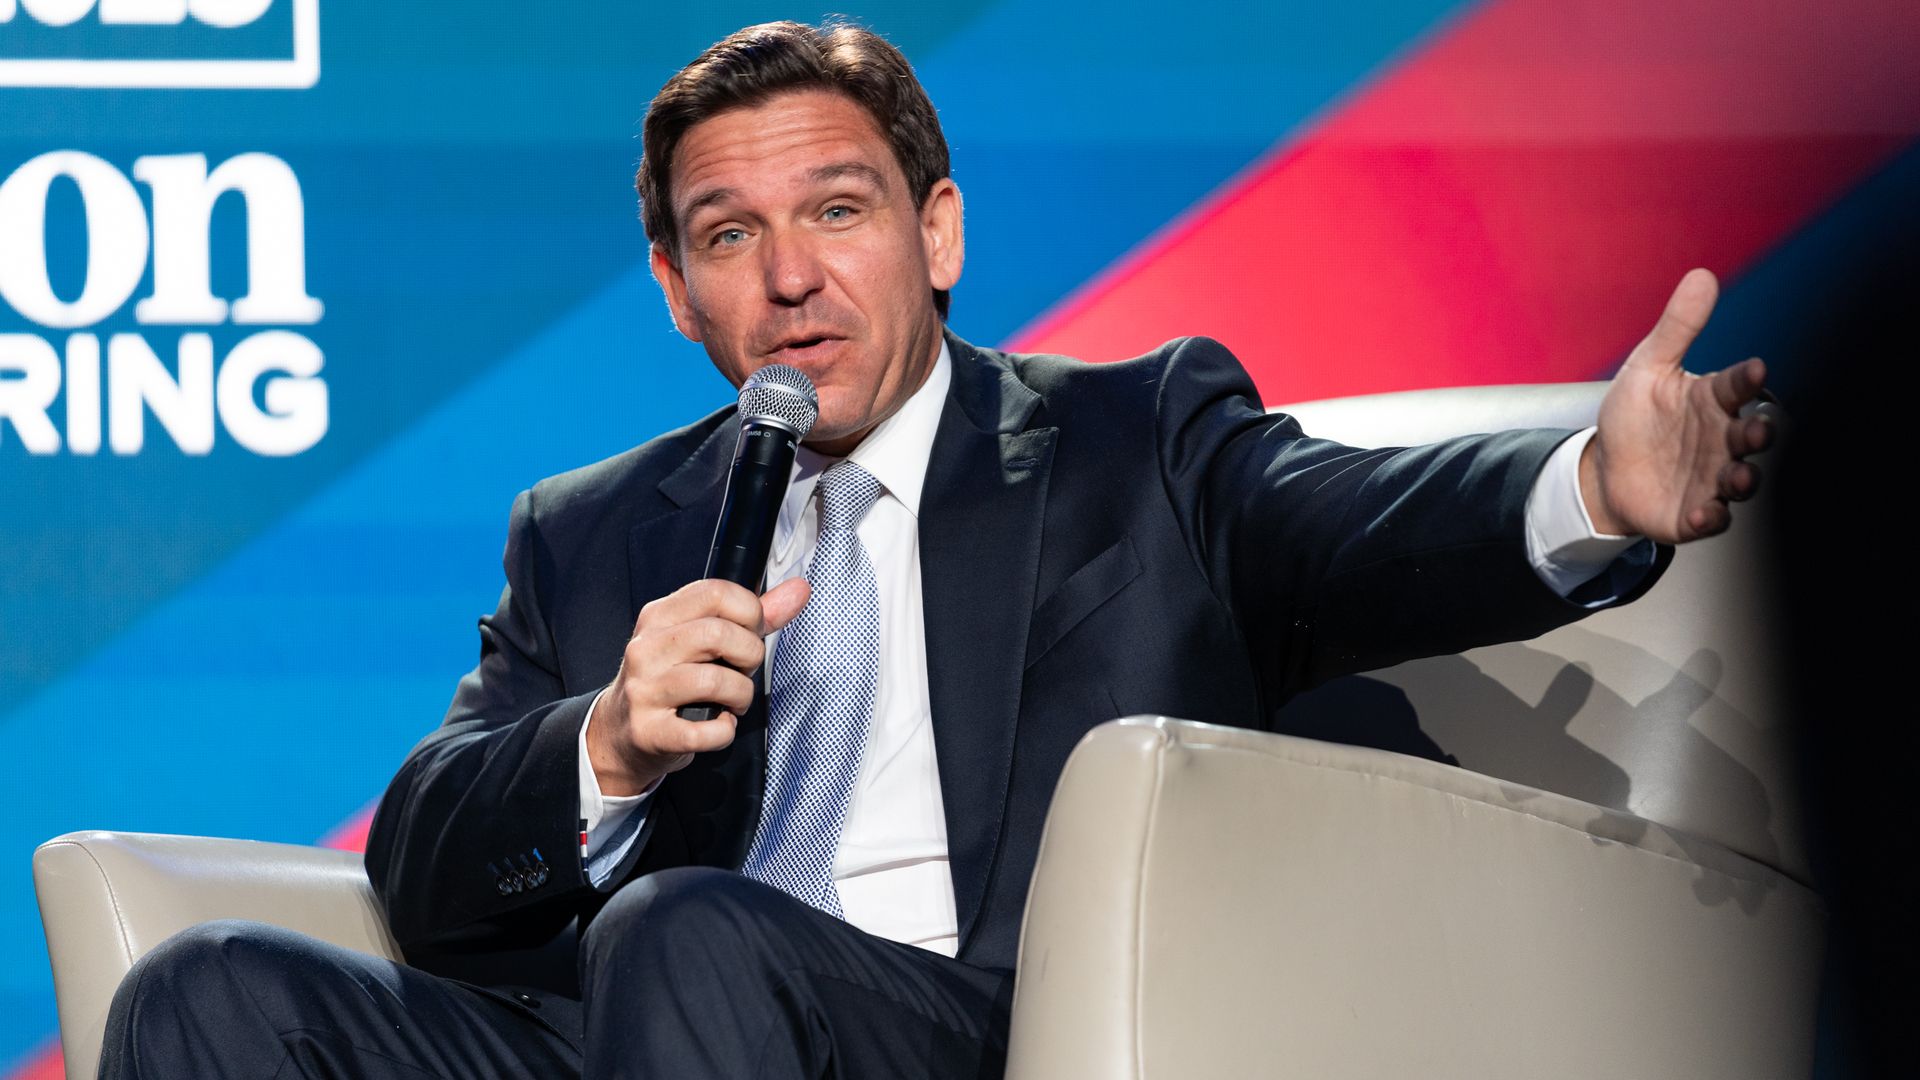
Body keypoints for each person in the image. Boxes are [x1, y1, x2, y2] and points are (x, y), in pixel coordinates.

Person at [98, 19, 1774, 1080]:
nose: (790, 279)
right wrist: (602, 741)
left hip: (991, 1024)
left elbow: (1346, 533)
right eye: (727, 237)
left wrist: (1587, 492)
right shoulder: (595, 527)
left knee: (685, 930)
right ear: (680, 294)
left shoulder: (1140, 435)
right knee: (212, 992)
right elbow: (426, 853)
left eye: (837, 211)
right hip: (633, 1026)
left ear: (938, 231)